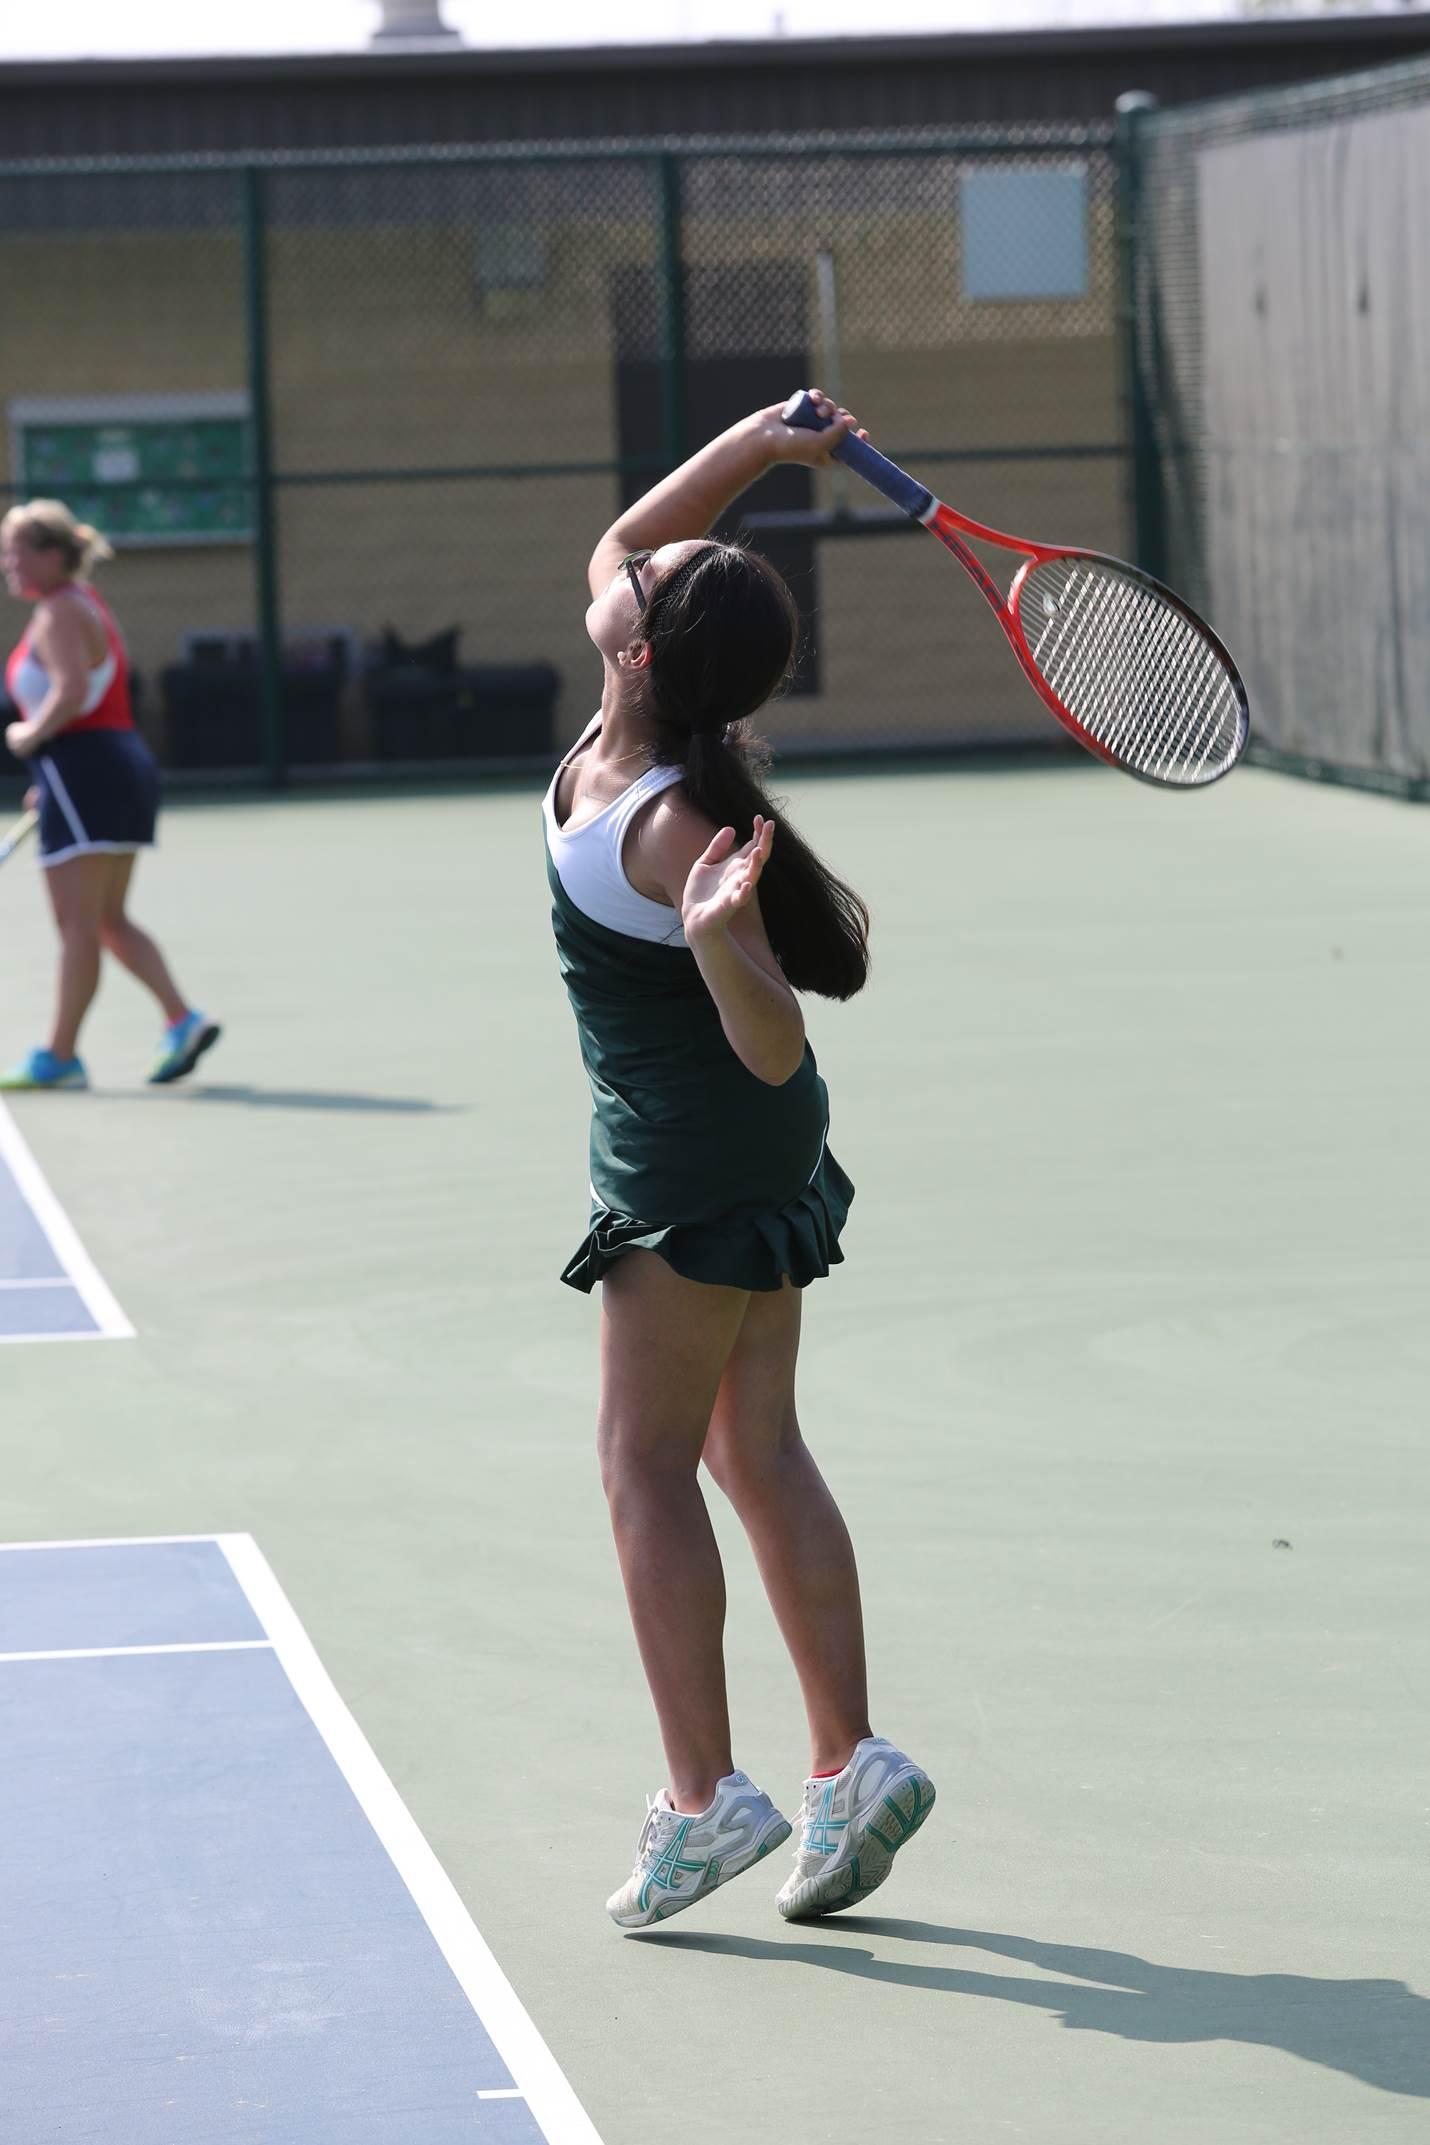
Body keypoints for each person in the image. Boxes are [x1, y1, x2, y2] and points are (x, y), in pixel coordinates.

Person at [544, 391, 935, 1930]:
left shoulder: (663, 827)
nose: (626, 570)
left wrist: (718, 945)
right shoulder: (639, 731)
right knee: (750, 1448)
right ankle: (849, 1765)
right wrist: (767, 447)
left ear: (637, 651)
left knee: (644, 1461)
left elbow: (769, 1042)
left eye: (637, 593)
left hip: (697, 1155)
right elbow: (630, 538)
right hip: (743, 1146)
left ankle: (707, 1800)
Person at [1, 499, 219, 1091]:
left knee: (78, 923)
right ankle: (183, 1020)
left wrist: (28, 736)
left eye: (16, 552)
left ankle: (60, 1056)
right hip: (109, 767)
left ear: (51, 554)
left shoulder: (59, 611)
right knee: (105, 920)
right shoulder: (82, 604)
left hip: (85, 766)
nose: (7, 564)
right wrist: (51, 780)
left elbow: (70, 692)